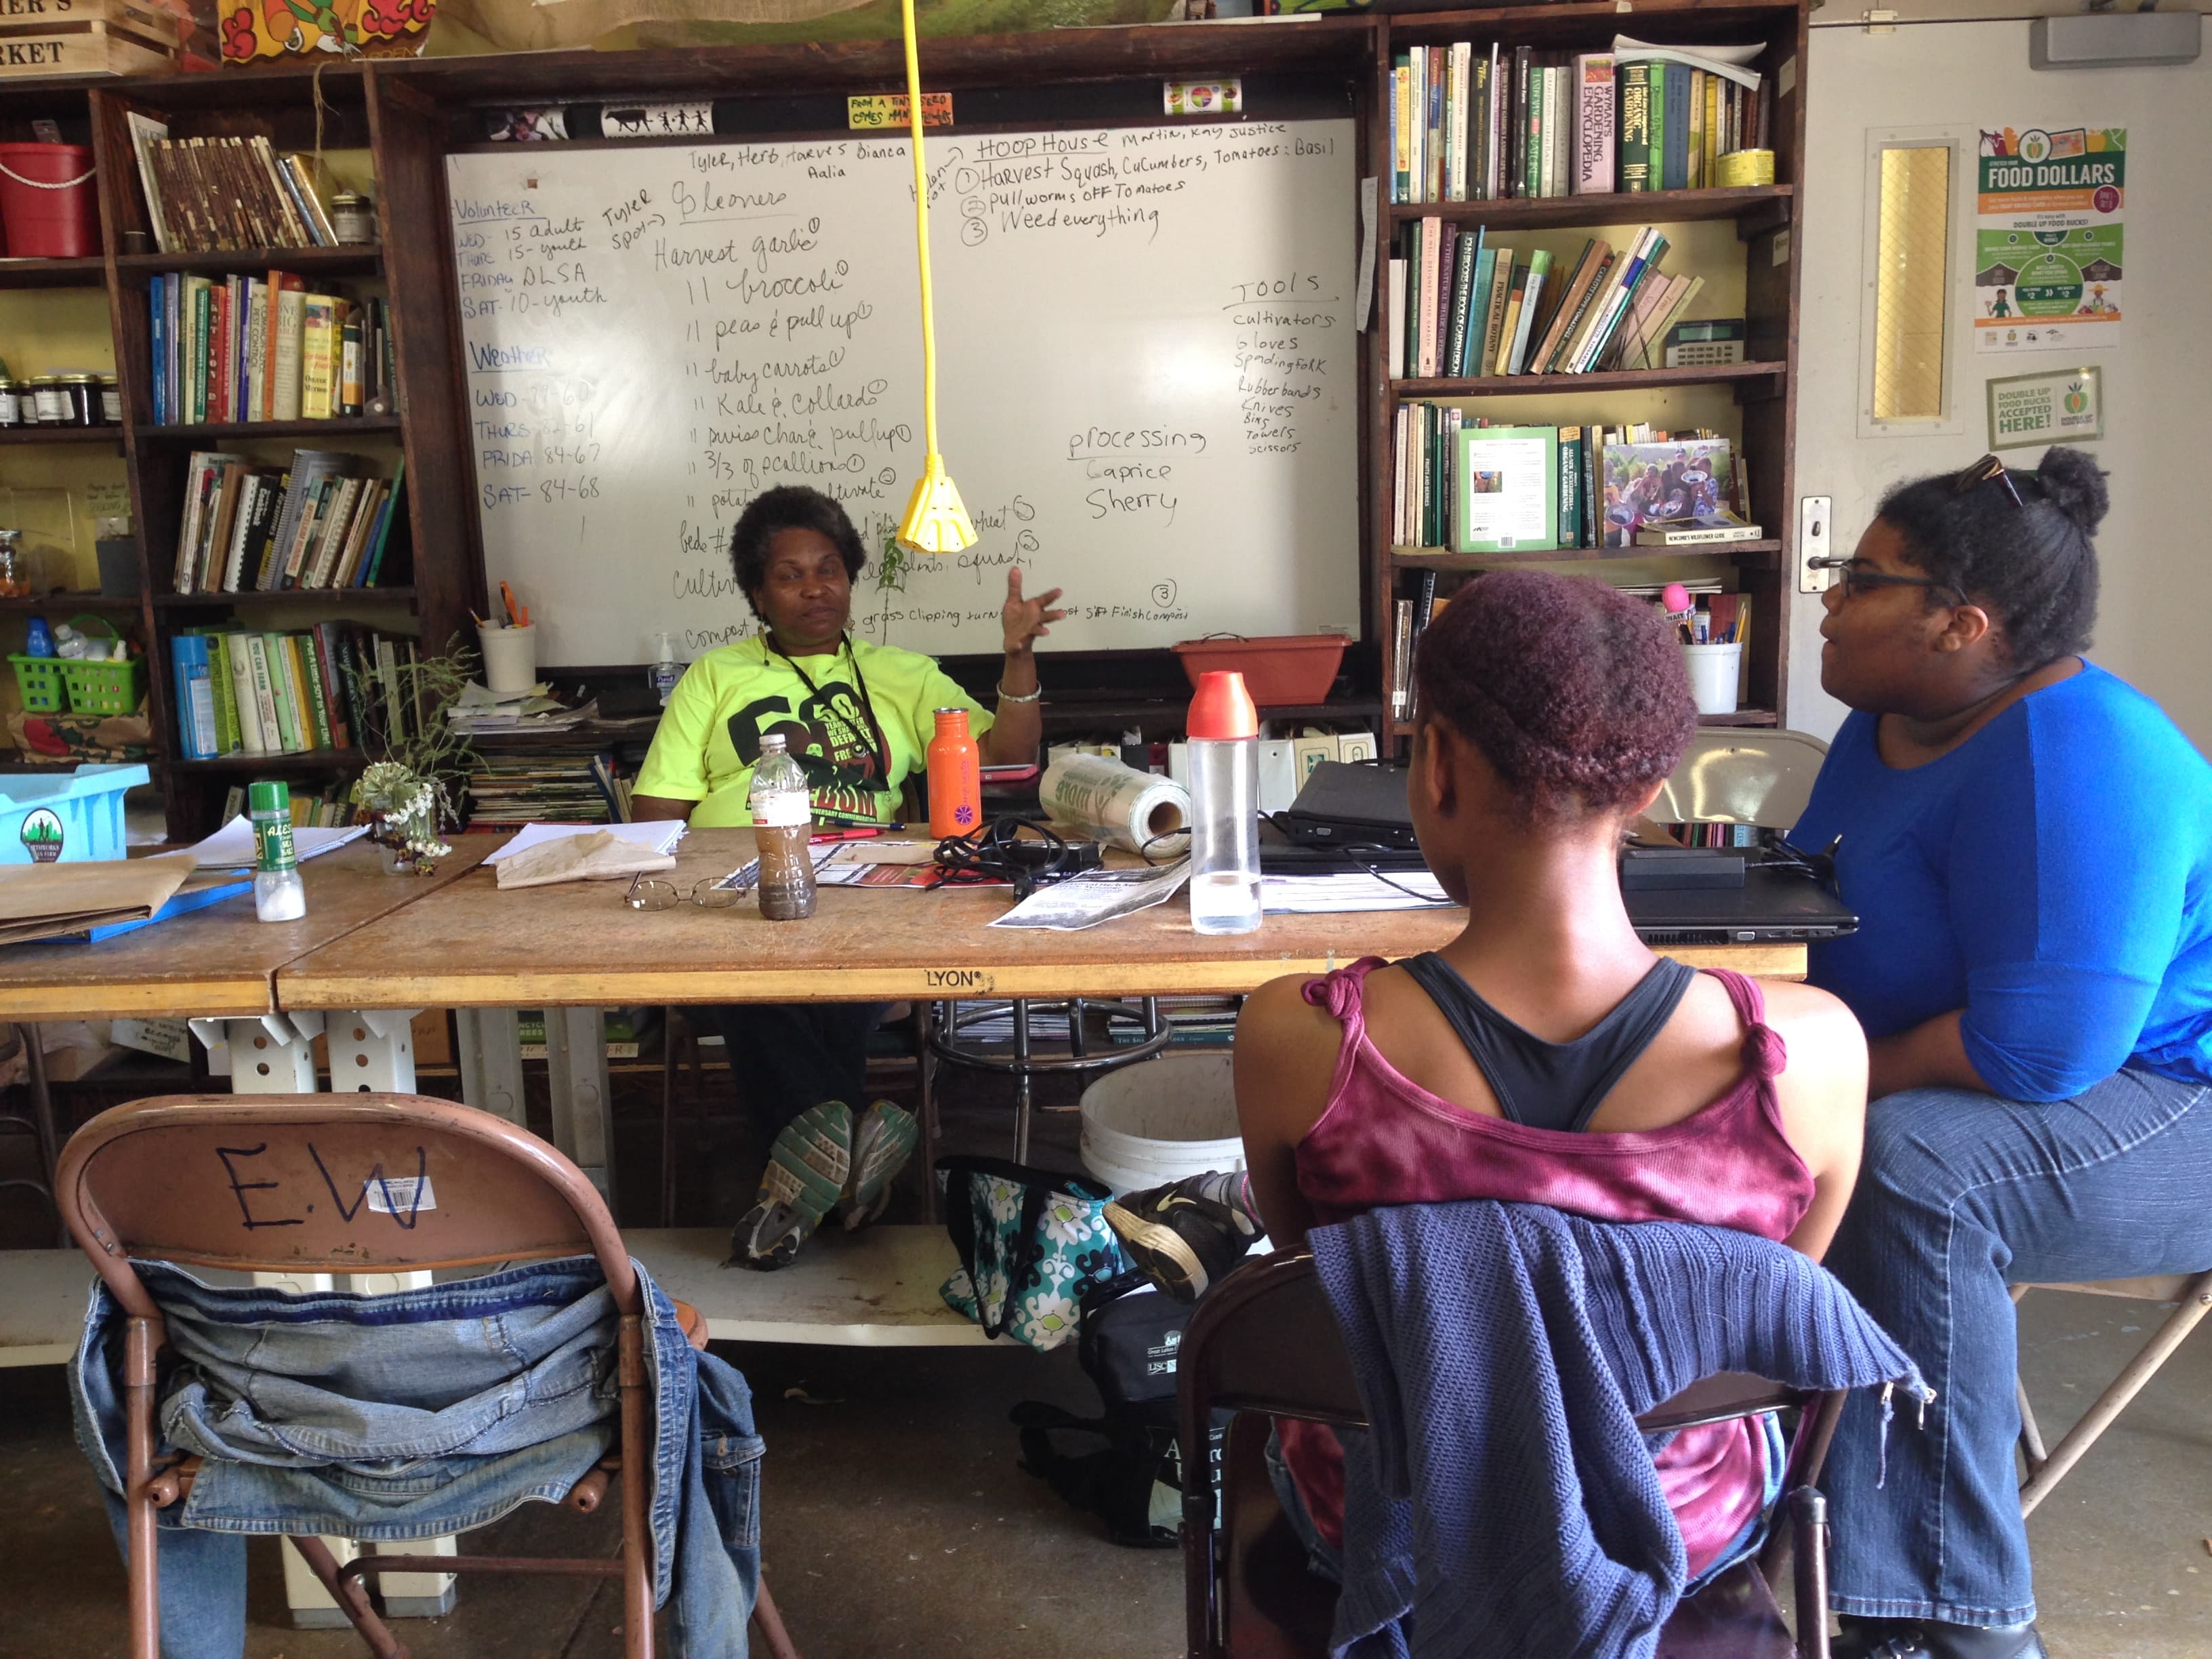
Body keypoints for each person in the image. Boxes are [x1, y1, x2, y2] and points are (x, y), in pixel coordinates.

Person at [1112, 569, 1866, 1589]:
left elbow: (1320, 1276)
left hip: (1384, 1528)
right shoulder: (1813, 1052)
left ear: (1439, 766)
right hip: (1681, 1526)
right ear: (1649, 790)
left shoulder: (1298, 1040)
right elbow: (1770, 1304)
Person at [1794, 447, 2212, 1659]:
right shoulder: (1881, 724)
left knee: (1912, 1165)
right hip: (1987, 1075)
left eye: (1858, 578)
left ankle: (1951, 1621)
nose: (1826, 596)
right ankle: (1746, 1504)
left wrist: (1814, 1075)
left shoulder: (2082, 753)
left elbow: (2036, 1051)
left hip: (2167, 1098)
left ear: (1958, 625)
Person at [632, 485, 1065, 1267]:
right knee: (764, 974)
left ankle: (797, 1185)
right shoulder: (714, 676)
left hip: (868, 891)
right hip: (742, 892)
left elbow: (1004, 752)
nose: (814, 588)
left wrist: (1018, 653)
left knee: (823, 974)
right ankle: (849, 1147)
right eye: (790, 575)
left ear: (851, 576)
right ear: (758, 594)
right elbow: (656, 816)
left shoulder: (902, 673)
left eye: (829, 569)